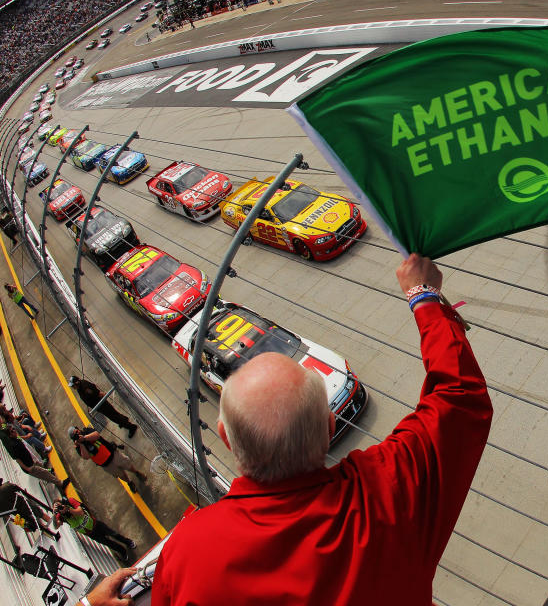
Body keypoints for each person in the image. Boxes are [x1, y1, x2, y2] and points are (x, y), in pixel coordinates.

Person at [151, 254, 491, 604]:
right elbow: (459, 397)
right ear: (330, 425)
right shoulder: (384, 491)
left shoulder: (187, 555)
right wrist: (422, 295)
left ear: (225, 437)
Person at [52, 497, 136, 563]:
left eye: (60, 505)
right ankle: (122, 551)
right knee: (108, 543)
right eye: (58, 508)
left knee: (113, 534)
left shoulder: (70, 502)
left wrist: (68, 509)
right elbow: (56, 526)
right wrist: (54, 514)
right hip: (90, 533)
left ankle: (128, 542)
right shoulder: (60, 516)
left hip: (95, 524)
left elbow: (80, 512)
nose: (60, 508)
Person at [69, 426, 147, 493]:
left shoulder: (86, 431)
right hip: (105, 464)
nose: (78, 434)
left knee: (127, 464)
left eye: (77, 431)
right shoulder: (79, 447)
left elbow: (96, 435)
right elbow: (86, 457)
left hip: (112, 453)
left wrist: (84, 438)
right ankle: (129, 482)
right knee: (120, 474)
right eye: (75, 435)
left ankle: (136, 472)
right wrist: (81, 444)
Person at [0, 423, 69, 491]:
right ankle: (60, 483)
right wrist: (28, 468)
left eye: (13, 429)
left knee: (44, 471)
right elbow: (17, 460)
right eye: (12, 431)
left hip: (31, 461)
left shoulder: (16, 439)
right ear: (10, 435)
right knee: (46, 474)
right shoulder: (13, 445)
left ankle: (57, 481)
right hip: (29, 466)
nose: (14, 431)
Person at [68, 376, 138, 438]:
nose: (73, 387)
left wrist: (100, 395)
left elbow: (95, 392)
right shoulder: (80, 388)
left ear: (77, 383)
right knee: (114, 414)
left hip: (101, 404)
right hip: (99, 406)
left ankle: (131, 427)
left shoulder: (84, 387)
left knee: (114, 416)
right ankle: (124, 420)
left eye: (73, 385)